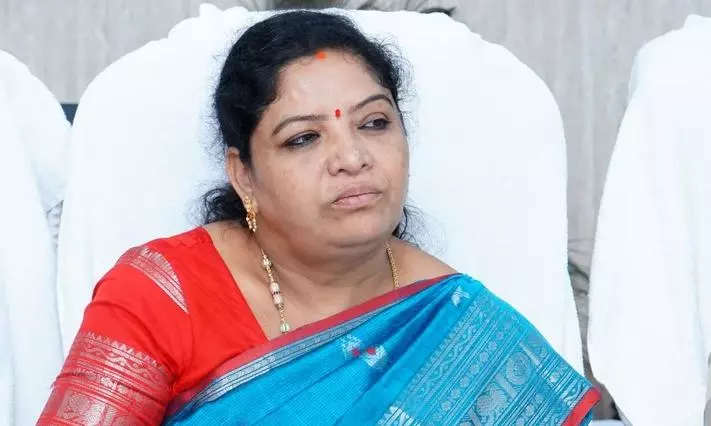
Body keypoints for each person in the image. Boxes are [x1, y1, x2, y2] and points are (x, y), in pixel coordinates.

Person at [39, 10, 598, 425]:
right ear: (244, 174)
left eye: (374, 123)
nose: (352, 157)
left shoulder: (461, 331)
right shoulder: (161, 295)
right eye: (304, 138)